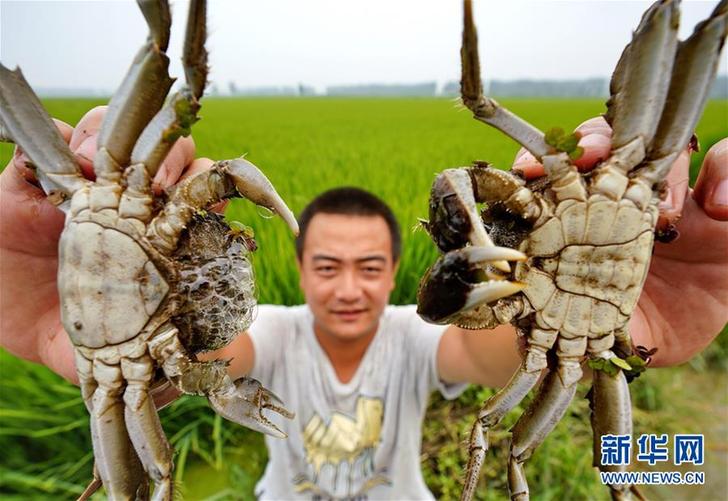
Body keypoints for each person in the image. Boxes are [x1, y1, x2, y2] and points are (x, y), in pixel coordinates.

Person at [1, 106, 727, 499]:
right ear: (296, 269)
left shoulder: (416, 339)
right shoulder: (275, 338)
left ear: (396, 276)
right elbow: (204, 362)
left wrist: (641, 359)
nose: (348, 286)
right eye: (326, 264)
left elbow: (494, 356)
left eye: (370, 266)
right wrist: (93, 314)